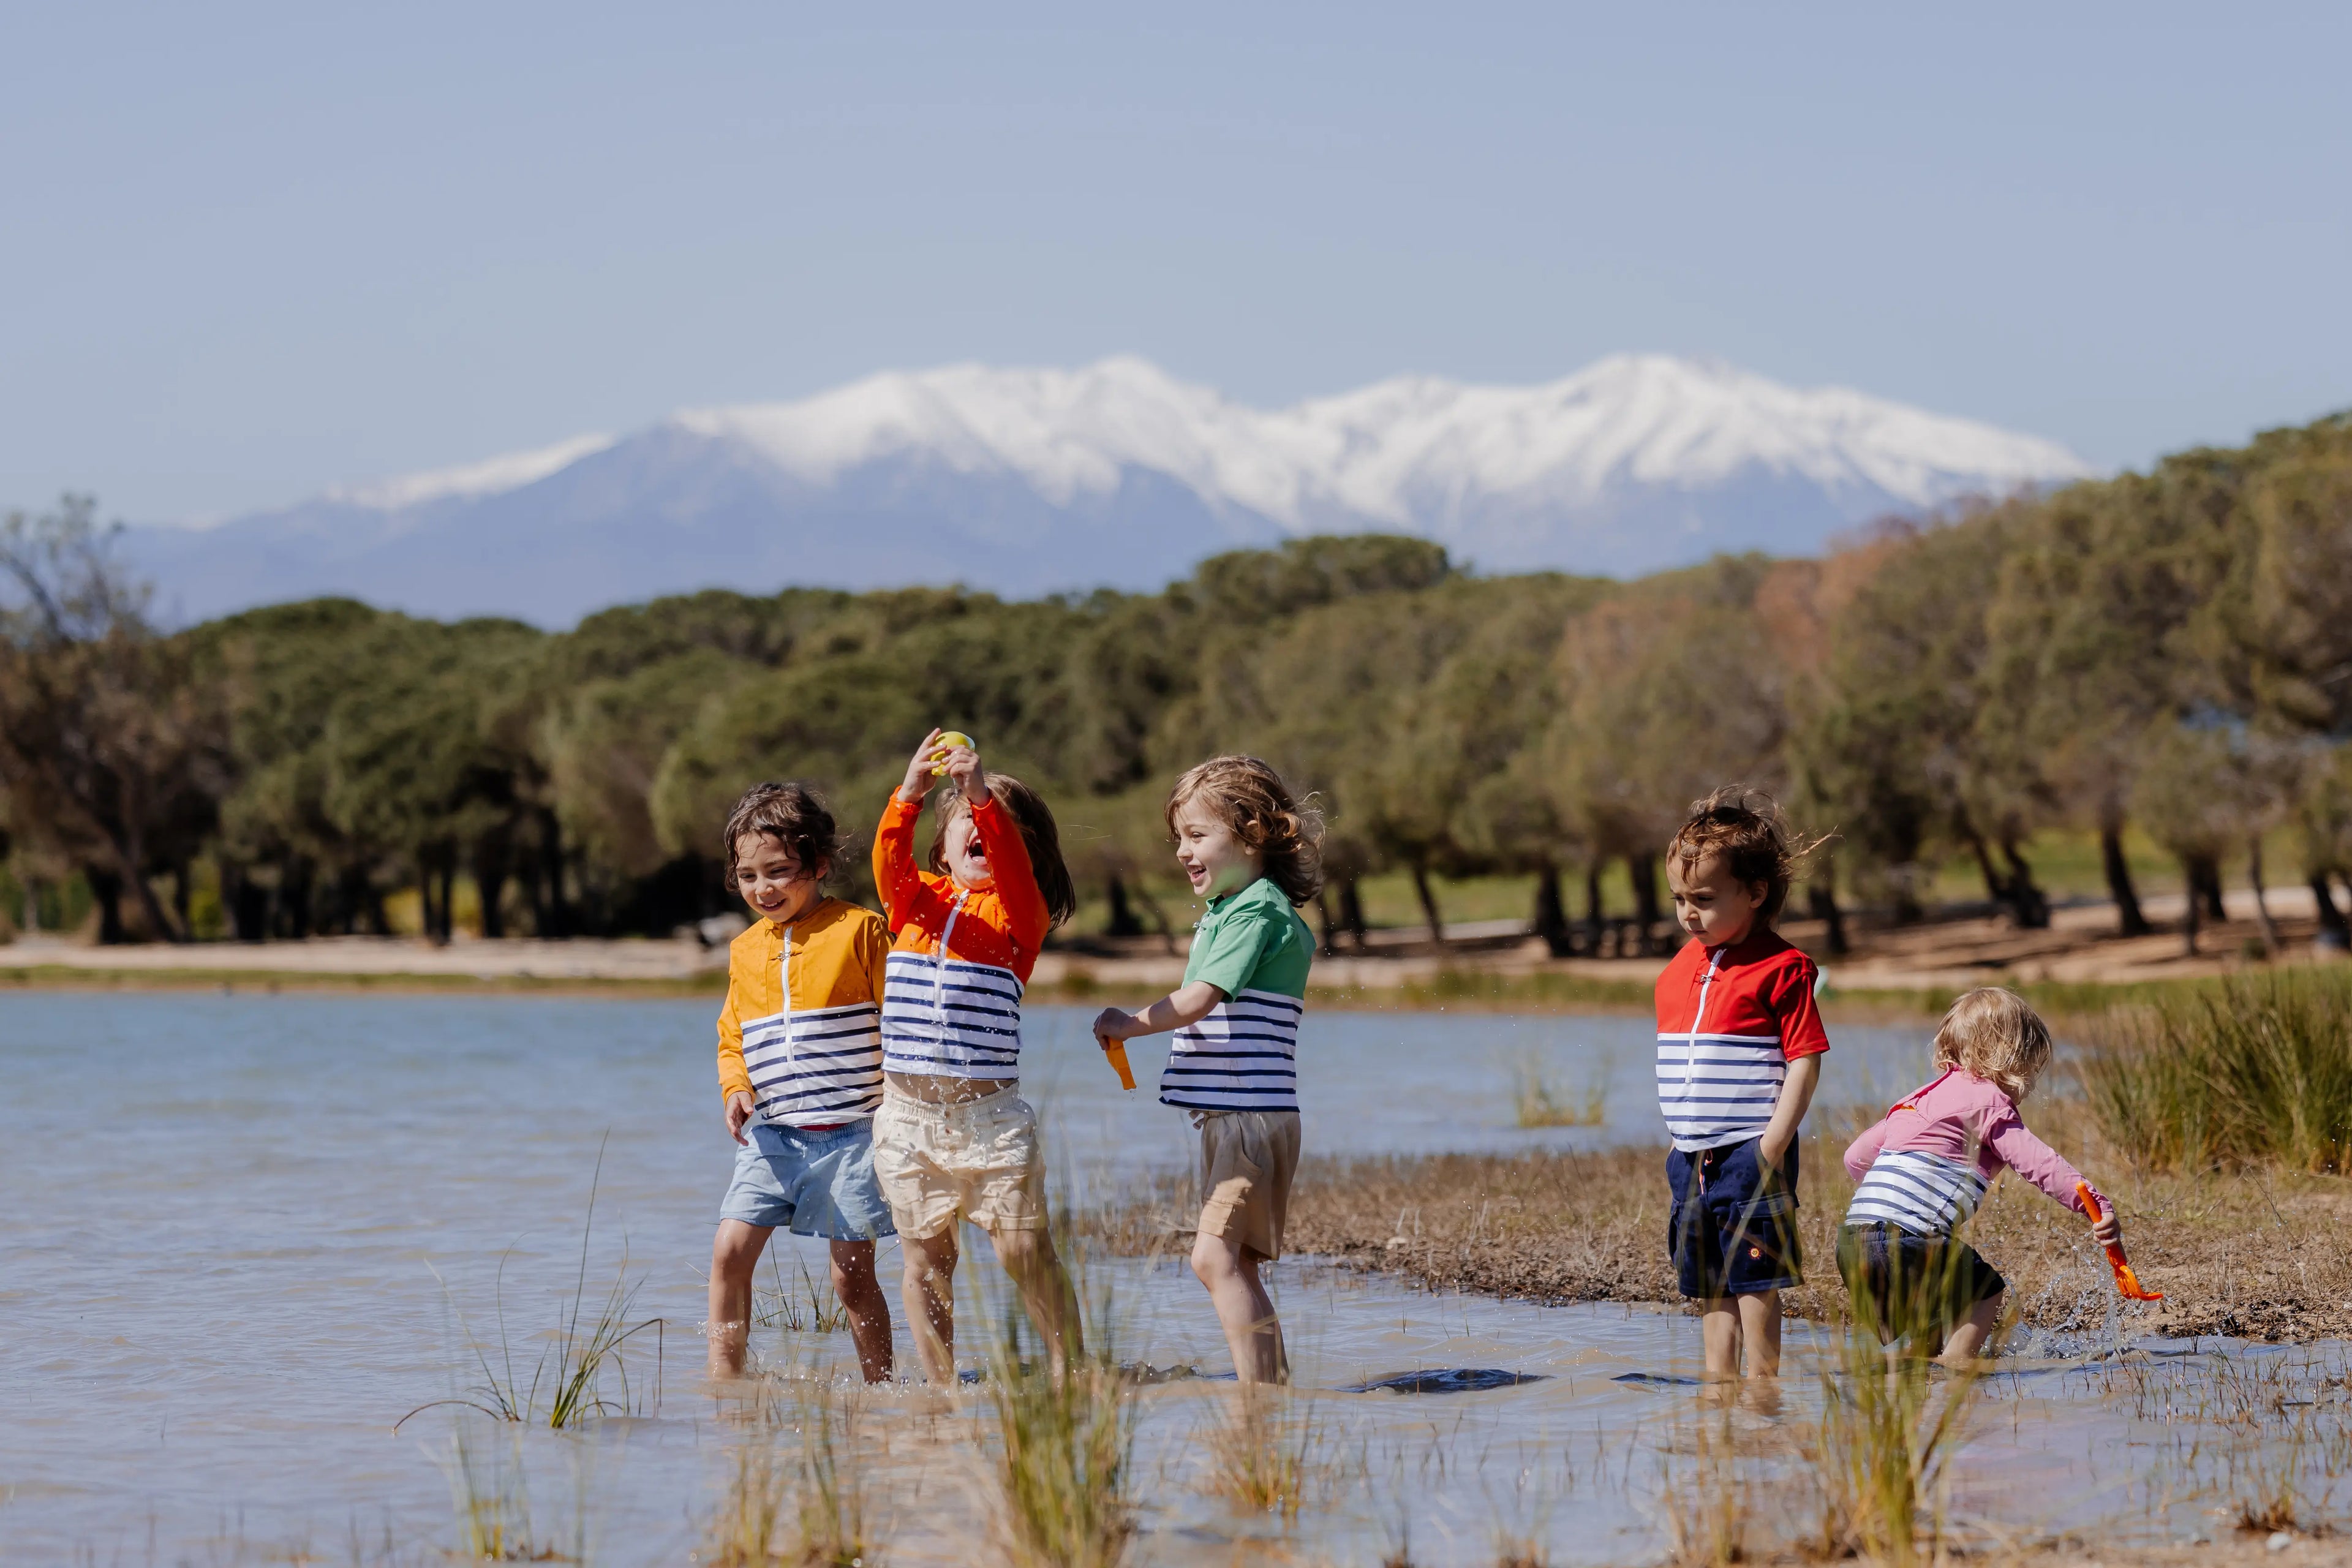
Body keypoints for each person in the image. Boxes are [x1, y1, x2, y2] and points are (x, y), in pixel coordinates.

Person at [1091, 756, 1322, 1384]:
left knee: (1212, 1258)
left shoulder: (1256, 911)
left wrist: (1128, 1022)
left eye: (1197, 836)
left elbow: (1199, 999)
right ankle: (1269, 1394)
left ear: (1251, 832)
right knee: (1233, 1263)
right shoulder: (1232, 908)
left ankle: (1260, 1397)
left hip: (1250, 1119)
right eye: (1179, 840)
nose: (1182, 853)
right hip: (1236, 1117)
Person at [870, 728, 1081, 1381]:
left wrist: (982, 795)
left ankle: (1071, 1368)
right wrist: (909, 794)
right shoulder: (914, 902)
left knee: (1022, 1248)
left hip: (989, 1120)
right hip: (908, 1119)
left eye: (1000, 822)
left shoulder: (1022, 919)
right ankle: (941, 1392)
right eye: (967, 814)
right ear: (943, 844)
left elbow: (1014, 867)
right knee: (927, 1262)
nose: (984, 824)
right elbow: (889, 862)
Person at [707, 782, 895, 1382]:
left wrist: (905, 1096)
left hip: (854, 1135)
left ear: (817, 864)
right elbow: (731, 1033)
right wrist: (736, 1088)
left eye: (780, 871)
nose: (763, 888)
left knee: (850, 1275)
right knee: (729, 1251)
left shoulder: (861, 929)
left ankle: (881, 1385)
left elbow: (900, 1017)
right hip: (775, 1136)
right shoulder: (742, 951)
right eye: (748, 875)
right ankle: (725, 1382)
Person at [1839, 987, 2124, 1362]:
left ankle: (1904, 1374)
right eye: (2031, 1068)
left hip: (1852, 1245)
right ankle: (1957, 1372)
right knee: (1986, 1291)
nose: (2031, 1083)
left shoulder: (1913, 1100)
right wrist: (2096, 1205)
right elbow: (2041, 1165)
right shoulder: (1988, 1102)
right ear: (2009, 1058)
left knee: (1933, 1328)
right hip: (1908, 1242)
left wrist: (1897, 1195)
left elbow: (1855, 1159)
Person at [1656, 785, 1829, 1381]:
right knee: (1711, 1283)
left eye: (1704, 898)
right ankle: (1718, 1384)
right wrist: (1679, 1141)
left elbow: (1805, 1059)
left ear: (1755, 893)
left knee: (1756, 1278)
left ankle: (1764, 1383)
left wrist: (1773, 1143)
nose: (1688, 913)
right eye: (1680, 898)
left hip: (1751, 1148)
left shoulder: (1783, 968)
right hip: (1692, 1157)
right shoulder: (1681, 968)